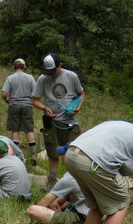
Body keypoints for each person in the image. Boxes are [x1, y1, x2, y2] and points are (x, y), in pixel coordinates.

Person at [32, 53, 85, 191]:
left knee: (73, 154)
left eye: (53, 71)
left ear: (60, 65)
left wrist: (77, 107)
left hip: (70, 121)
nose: (51, 74)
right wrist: (45, 108)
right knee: (52, 153)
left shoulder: (71, 76)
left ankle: (73, 184)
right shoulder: (43, 79)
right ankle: (52, 182)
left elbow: (81, 94)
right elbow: (34, 99)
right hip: (52, 122)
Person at [2, 58, 38, 165]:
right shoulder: (30, 78)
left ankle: (15, 154)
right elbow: (36, 93)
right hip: (27, 105)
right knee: (28, 130)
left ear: (14, 67)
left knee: (15, 130)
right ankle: (33, 154)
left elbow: (4, 94)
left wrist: (8, 101)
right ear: (24, 67)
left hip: (14, 105)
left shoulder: (10, 78)